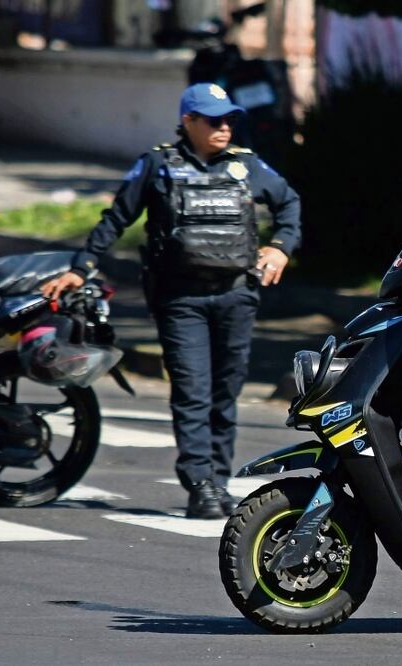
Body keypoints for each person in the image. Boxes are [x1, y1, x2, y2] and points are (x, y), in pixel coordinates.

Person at [41, 82, 301, 519]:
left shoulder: (246, 165)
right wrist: (81, 267)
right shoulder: (158, 165)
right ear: (188, 121)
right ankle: (199, 483)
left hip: (236, 295)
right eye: (213, 121)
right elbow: (116, 219)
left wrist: (280, 247)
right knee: (193, 391)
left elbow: (289, 205)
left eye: (229, 119)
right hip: (181, 299)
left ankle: (218, 482)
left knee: (226, 391)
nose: (224, 128)